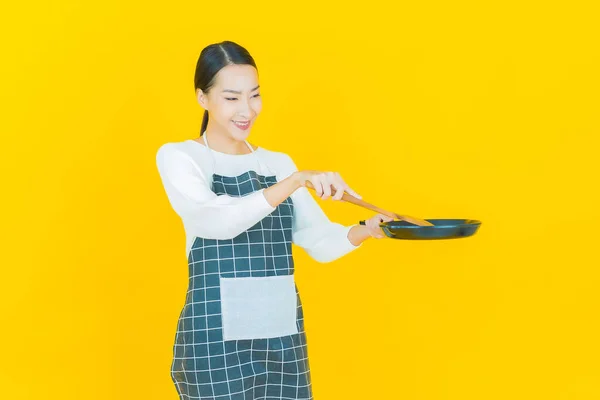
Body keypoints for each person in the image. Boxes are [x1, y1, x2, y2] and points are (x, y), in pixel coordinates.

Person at [156, 40, 393, 400]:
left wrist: (366, 230)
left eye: (255, 95)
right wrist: (295, 182)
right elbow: (218, 221)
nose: (247, 110)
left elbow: (319, 241)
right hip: (214, 340)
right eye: (231, 97)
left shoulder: (277, 163)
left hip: (281, 336)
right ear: (202, 98)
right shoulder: (180, 157)